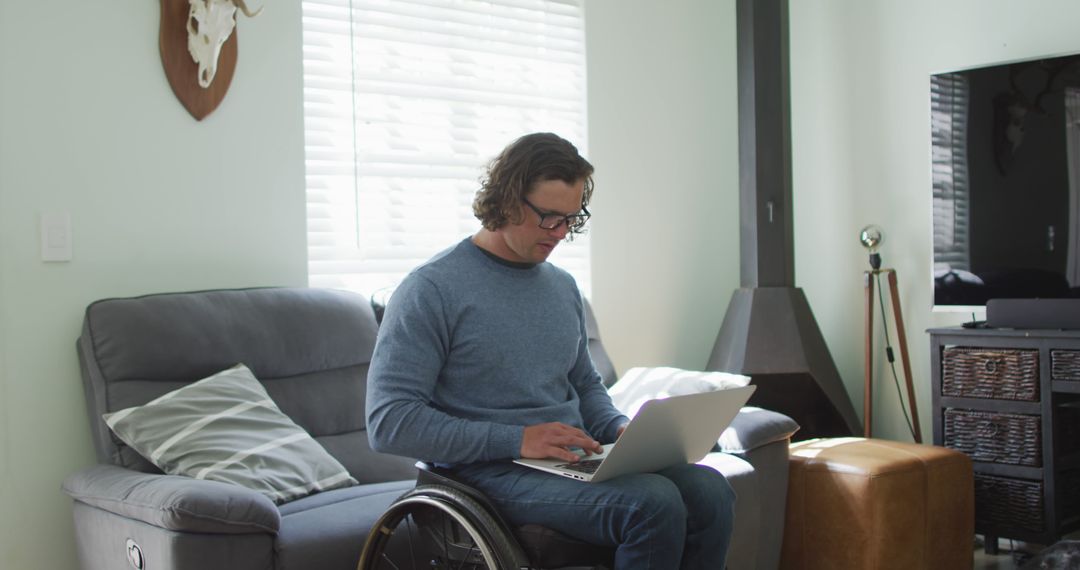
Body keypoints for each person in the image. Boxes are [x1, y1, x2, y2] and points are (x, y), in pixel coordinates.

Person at [366, 132, 735, 569]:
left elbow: (584, 383)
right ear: (506, 200)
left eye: (571, 220)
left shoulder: (562, 286)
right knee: (650, 504)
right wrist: (519, 438)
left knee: (710, 490)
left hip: (567, 461)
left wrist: (620, 431)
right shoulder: (431, 289)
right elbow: (389, 422)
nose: (561, 233)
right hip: (484, 472)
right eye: (548, 218)